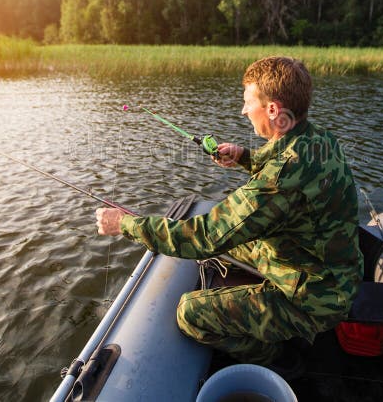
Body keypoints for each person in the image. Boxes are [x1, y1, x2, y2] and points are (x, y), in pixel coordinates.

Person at [96, 56, 362, 377]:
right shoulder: (317, 139)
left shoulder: (277, 181)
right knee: (227, 245)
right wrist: (244, 158)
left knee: (189, 314)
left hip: (314, 299)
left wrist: (124, 224)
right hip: (323, 266)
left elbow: (205, 237)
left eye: (249, 103)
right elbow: (283, 160)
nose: (243, 111)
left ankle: (278, 358)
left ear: (274, 110)